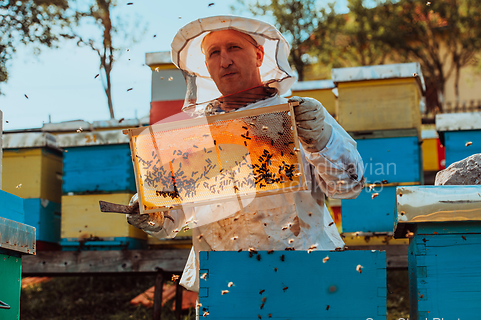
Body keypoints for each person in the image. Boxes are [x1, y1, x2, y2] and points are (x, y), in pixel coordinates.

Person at [127, 15, 365, 292]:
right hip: (222, 278)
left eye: (234, 48)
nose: (224, 60)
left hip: (303, 269)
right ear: (206, 66)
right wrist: (154, 213)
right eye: (214, 53)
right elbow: (178, 215)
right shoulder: (194, 135)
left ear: (259, 54)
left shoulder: (300, 114)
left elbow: (349, 186)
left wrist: (321, 139)